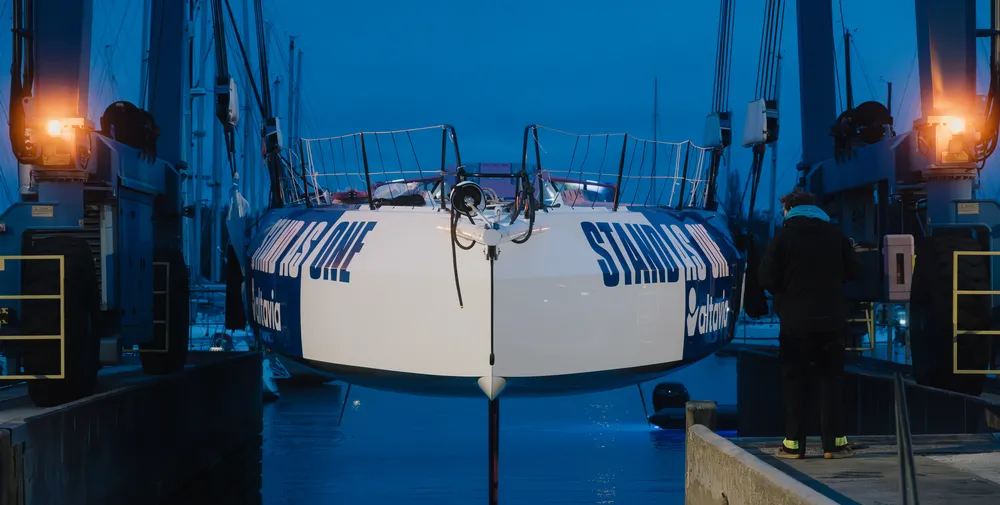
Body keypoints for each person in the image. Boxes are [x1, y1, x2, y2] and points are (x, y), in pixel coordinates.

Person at [758, 188, 861, 460]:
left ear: (789, 209)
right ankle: (834, 445)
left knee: (795, 382)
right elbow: (854, 271)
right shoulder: (835, 235)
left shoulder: (783, 237)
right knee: (831, 382)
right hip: (832, 322)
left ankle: (794, 445)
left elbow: (766, 277)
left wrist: (785, 292)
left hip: (795, 324)